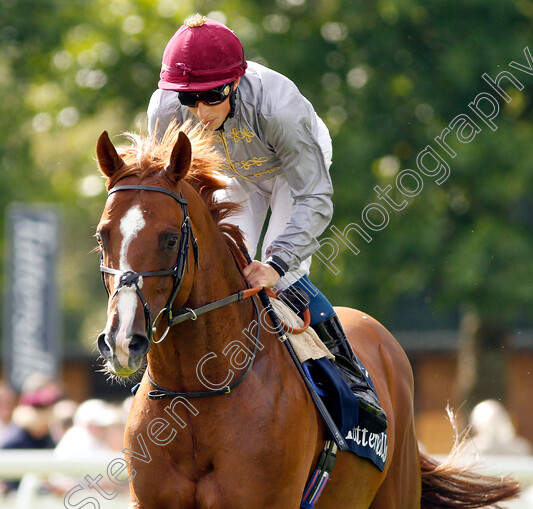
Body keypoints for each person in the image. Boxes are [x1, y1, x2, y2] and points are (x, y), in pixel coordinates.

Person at [147, 14, 386, 433]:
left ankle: (351, 376)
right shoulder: (166, 108)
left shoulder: (281, 109)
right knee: (215, 264)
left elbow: (315, 196)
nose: (200, 113)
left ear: (234, 83)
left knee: (281, 279)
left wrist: (277, 261)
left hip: (290, 174)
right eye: (190, 100)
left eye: (211, 97)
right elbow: (171, 188)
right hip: (228, 171)